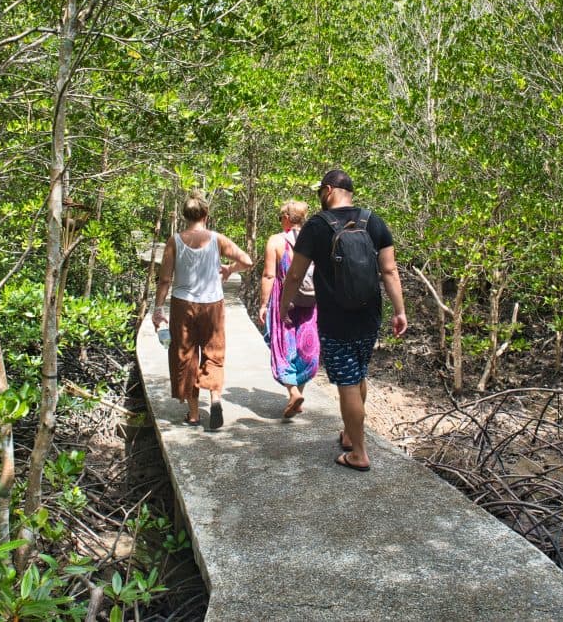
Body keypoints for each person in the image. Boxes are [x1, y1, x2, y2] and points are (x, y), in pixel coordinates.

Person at [279, 169, 407, 471]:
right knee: (359, 373)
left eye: (319, 193)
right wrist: (400, 311)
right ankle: (350, 435)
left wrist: (285, 307)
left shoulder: (316, 226)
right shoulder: (373, 221)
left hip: (336, 316)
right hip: (370, 313)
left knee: (347, 383)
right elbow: (389, 271)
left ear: (328, 190)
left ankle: (359, 453)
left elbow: (295, 274)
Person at [152, 192, 253, 429]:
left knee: (185, 355)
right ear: (206, 215)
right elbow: (247, 261)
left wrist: (158, 308)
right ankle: (215, 398)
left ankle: (195, 414)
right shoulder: (217, 239)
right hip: (213, 305)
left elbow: (165, 279)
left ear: (185, 216)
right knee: (214, 352)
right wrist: (230, 268)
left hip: (182, 304)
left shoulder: (174, 241)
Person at [258, 200, 320, 418]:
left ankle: (293, 393)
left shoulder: (276, 241)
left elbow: (269, 275)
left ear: (286, 217)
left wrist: (264, 304)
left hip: (284, 303)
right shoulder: (315, 240)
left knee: (283, 348)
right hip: (310, 303)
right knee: (306, 348)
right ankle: (298, 398)